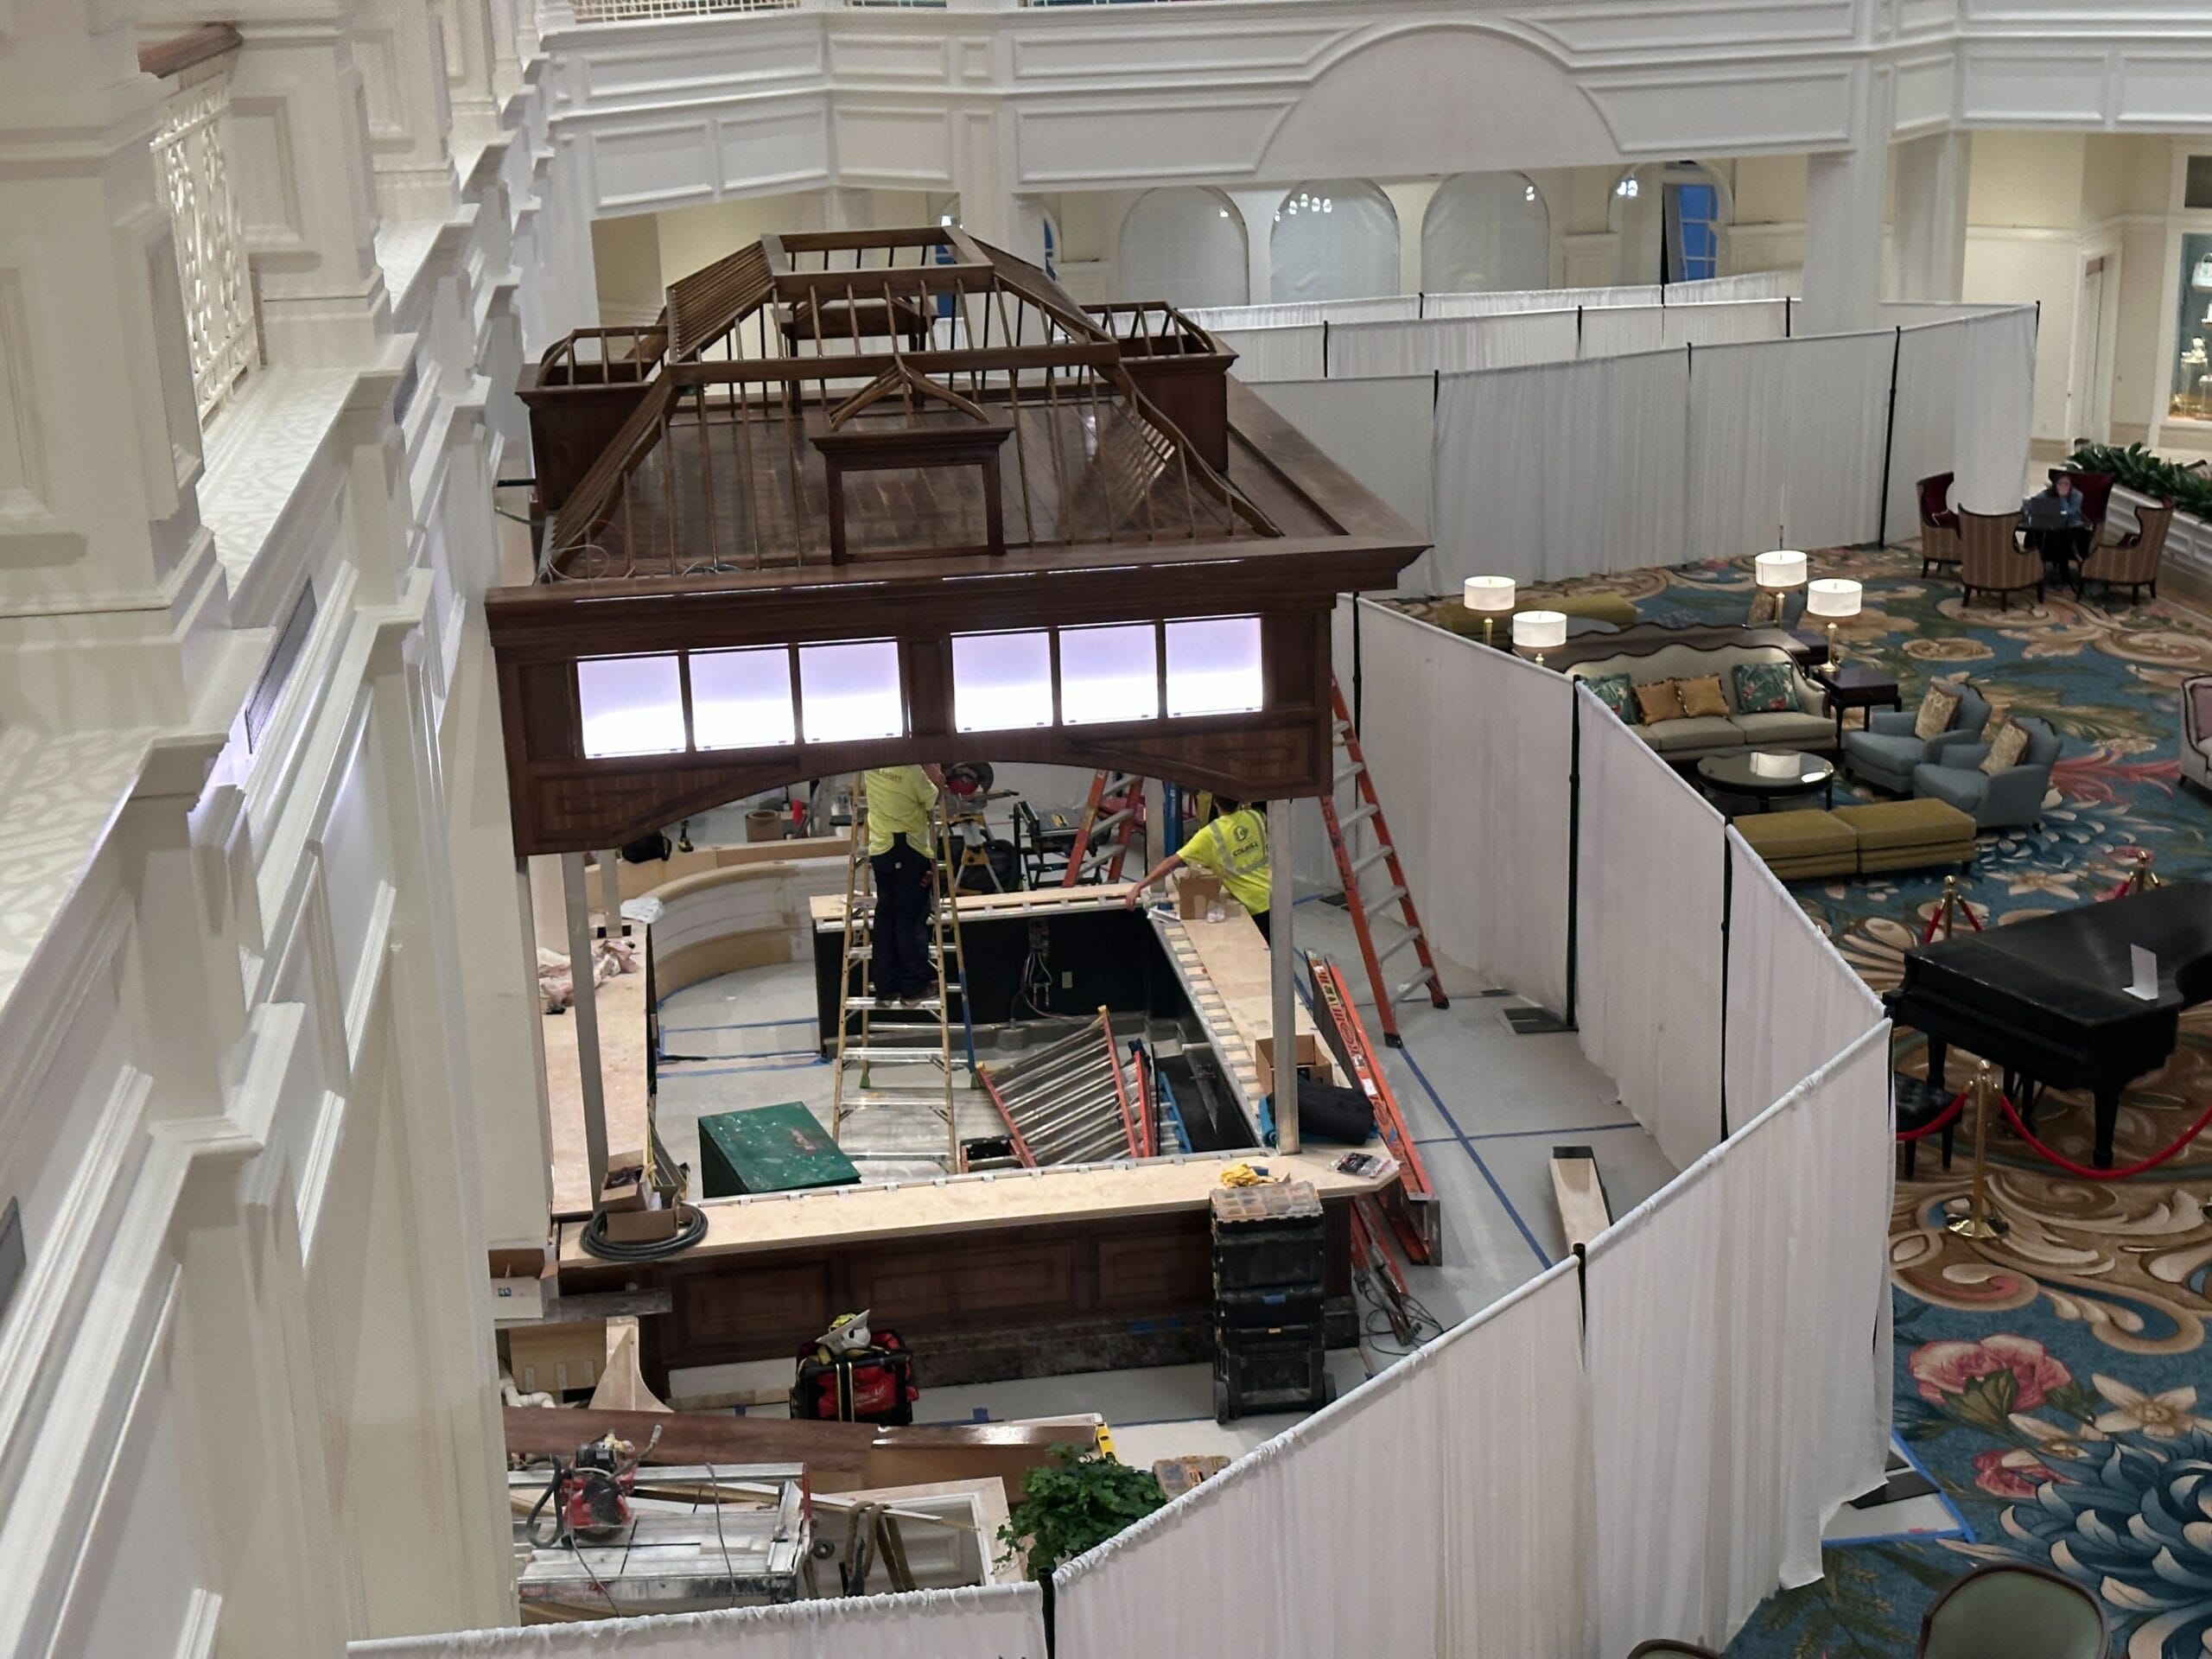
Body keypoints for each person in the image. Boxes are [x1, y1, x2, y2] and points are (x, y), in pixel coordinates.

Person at [1123, 797, 1273, 941]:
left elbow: (1171, 862)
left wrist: (1139, 886)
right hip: (1275, 896)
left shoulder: (1210, 834)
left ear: (1214, 802)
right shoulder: (1254, 817)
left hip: (1254, 905)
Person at [862, 764, 944, 1006]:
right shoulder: (912, 771)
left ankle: (885, 987)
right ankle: (913, 987)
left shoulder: (869, 768)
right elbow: (932, 800)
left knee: (886, 917)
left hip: (880, 849)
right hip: (908, 848)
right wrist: (935, 777)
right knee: (909, 917)